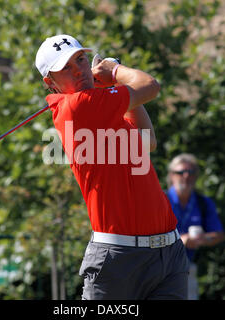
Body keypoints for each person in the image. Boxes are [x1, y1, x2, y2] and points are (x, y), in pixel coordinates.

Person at [35, 34, 189, 300]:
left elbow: (146, 140)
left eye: (80, 60)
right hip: (118, 260)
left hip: (168, 254)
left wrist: (112, 83)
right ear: (50, 82)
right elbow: (150, 85)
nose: (79, 70)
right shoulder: (77, 107)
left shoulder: (101, 105)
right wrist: (114, 70)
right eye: (66, 68)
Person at [166, 153, 225, 300]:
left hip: (187, 268)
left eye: (191, 172)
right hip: (159, 267)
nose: (186, 176)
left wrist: (203, 239)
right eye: (180, 172)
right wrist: (181, 240)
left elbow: (218, 234)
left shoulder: (203, 203)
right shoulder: (161, 200)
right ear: (171, 176)